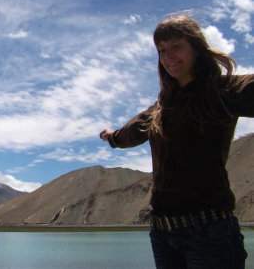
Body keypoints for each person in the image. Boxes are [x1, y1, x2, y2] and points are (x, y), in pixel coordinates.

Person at [100, 14, 254, 268]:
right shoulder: (162, 106)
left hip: (209, 233)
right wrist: (112, 137)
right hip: (163, 234)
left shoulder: (223, 91)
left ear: (196, 48)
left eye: (176, 47)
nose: (168, 56)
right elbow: (132, 130)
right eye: (162, 50)